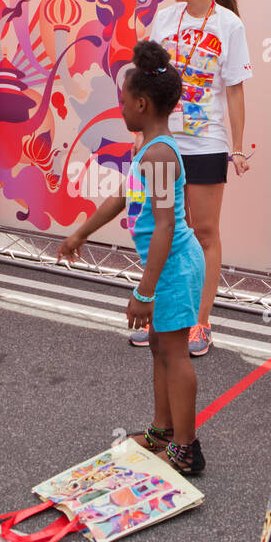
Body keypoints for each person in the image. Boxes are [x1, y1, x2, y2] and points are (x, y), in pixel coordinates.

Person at [59, 40, 207, 474]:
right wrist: (81, 231)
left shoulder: (159, 154)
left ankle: (186, 447)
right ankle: (164, 429)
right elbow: (123, 197)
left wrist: (144, 291)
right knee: (160, 344)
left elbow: (163, 226)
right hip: (168, 264)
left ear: (141, 104)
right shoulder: (148, 148)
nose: (119, 107)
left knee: (175, 352)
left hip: (175, 266)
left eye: (123, 101)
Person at [130, 0, 251, 357]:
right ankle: (161, 314)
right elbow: (145, 82)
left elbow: (234, 92)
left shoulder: (229, 26)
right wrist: (140, 138)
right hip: (165, 143)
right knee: (167, 228)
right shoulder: (164, 20)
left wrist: (237, 148)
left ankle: (199, 320)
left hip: (206, 144)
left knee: (203, 232)